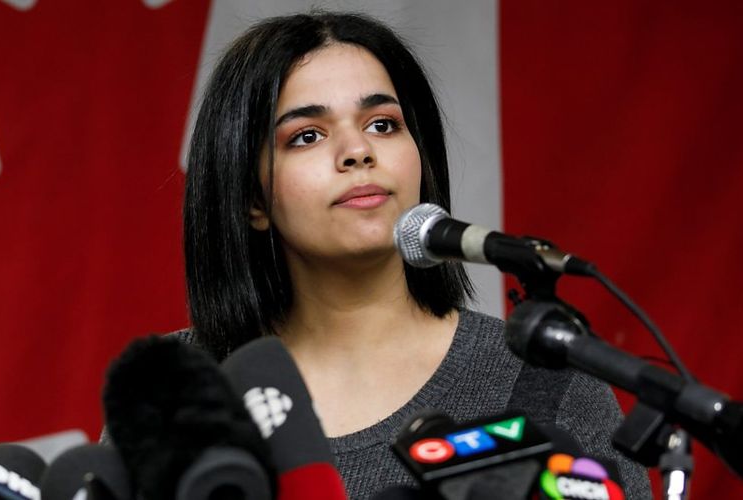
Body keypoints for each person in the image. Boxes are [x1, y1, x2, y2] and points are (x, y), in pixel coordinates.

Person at [180, 11, 650, 499]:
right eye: (307, 135)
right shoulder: (172, 387)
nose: (358, 150)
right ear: (252, 200)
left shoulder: (544, 381)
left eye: (383, 124)